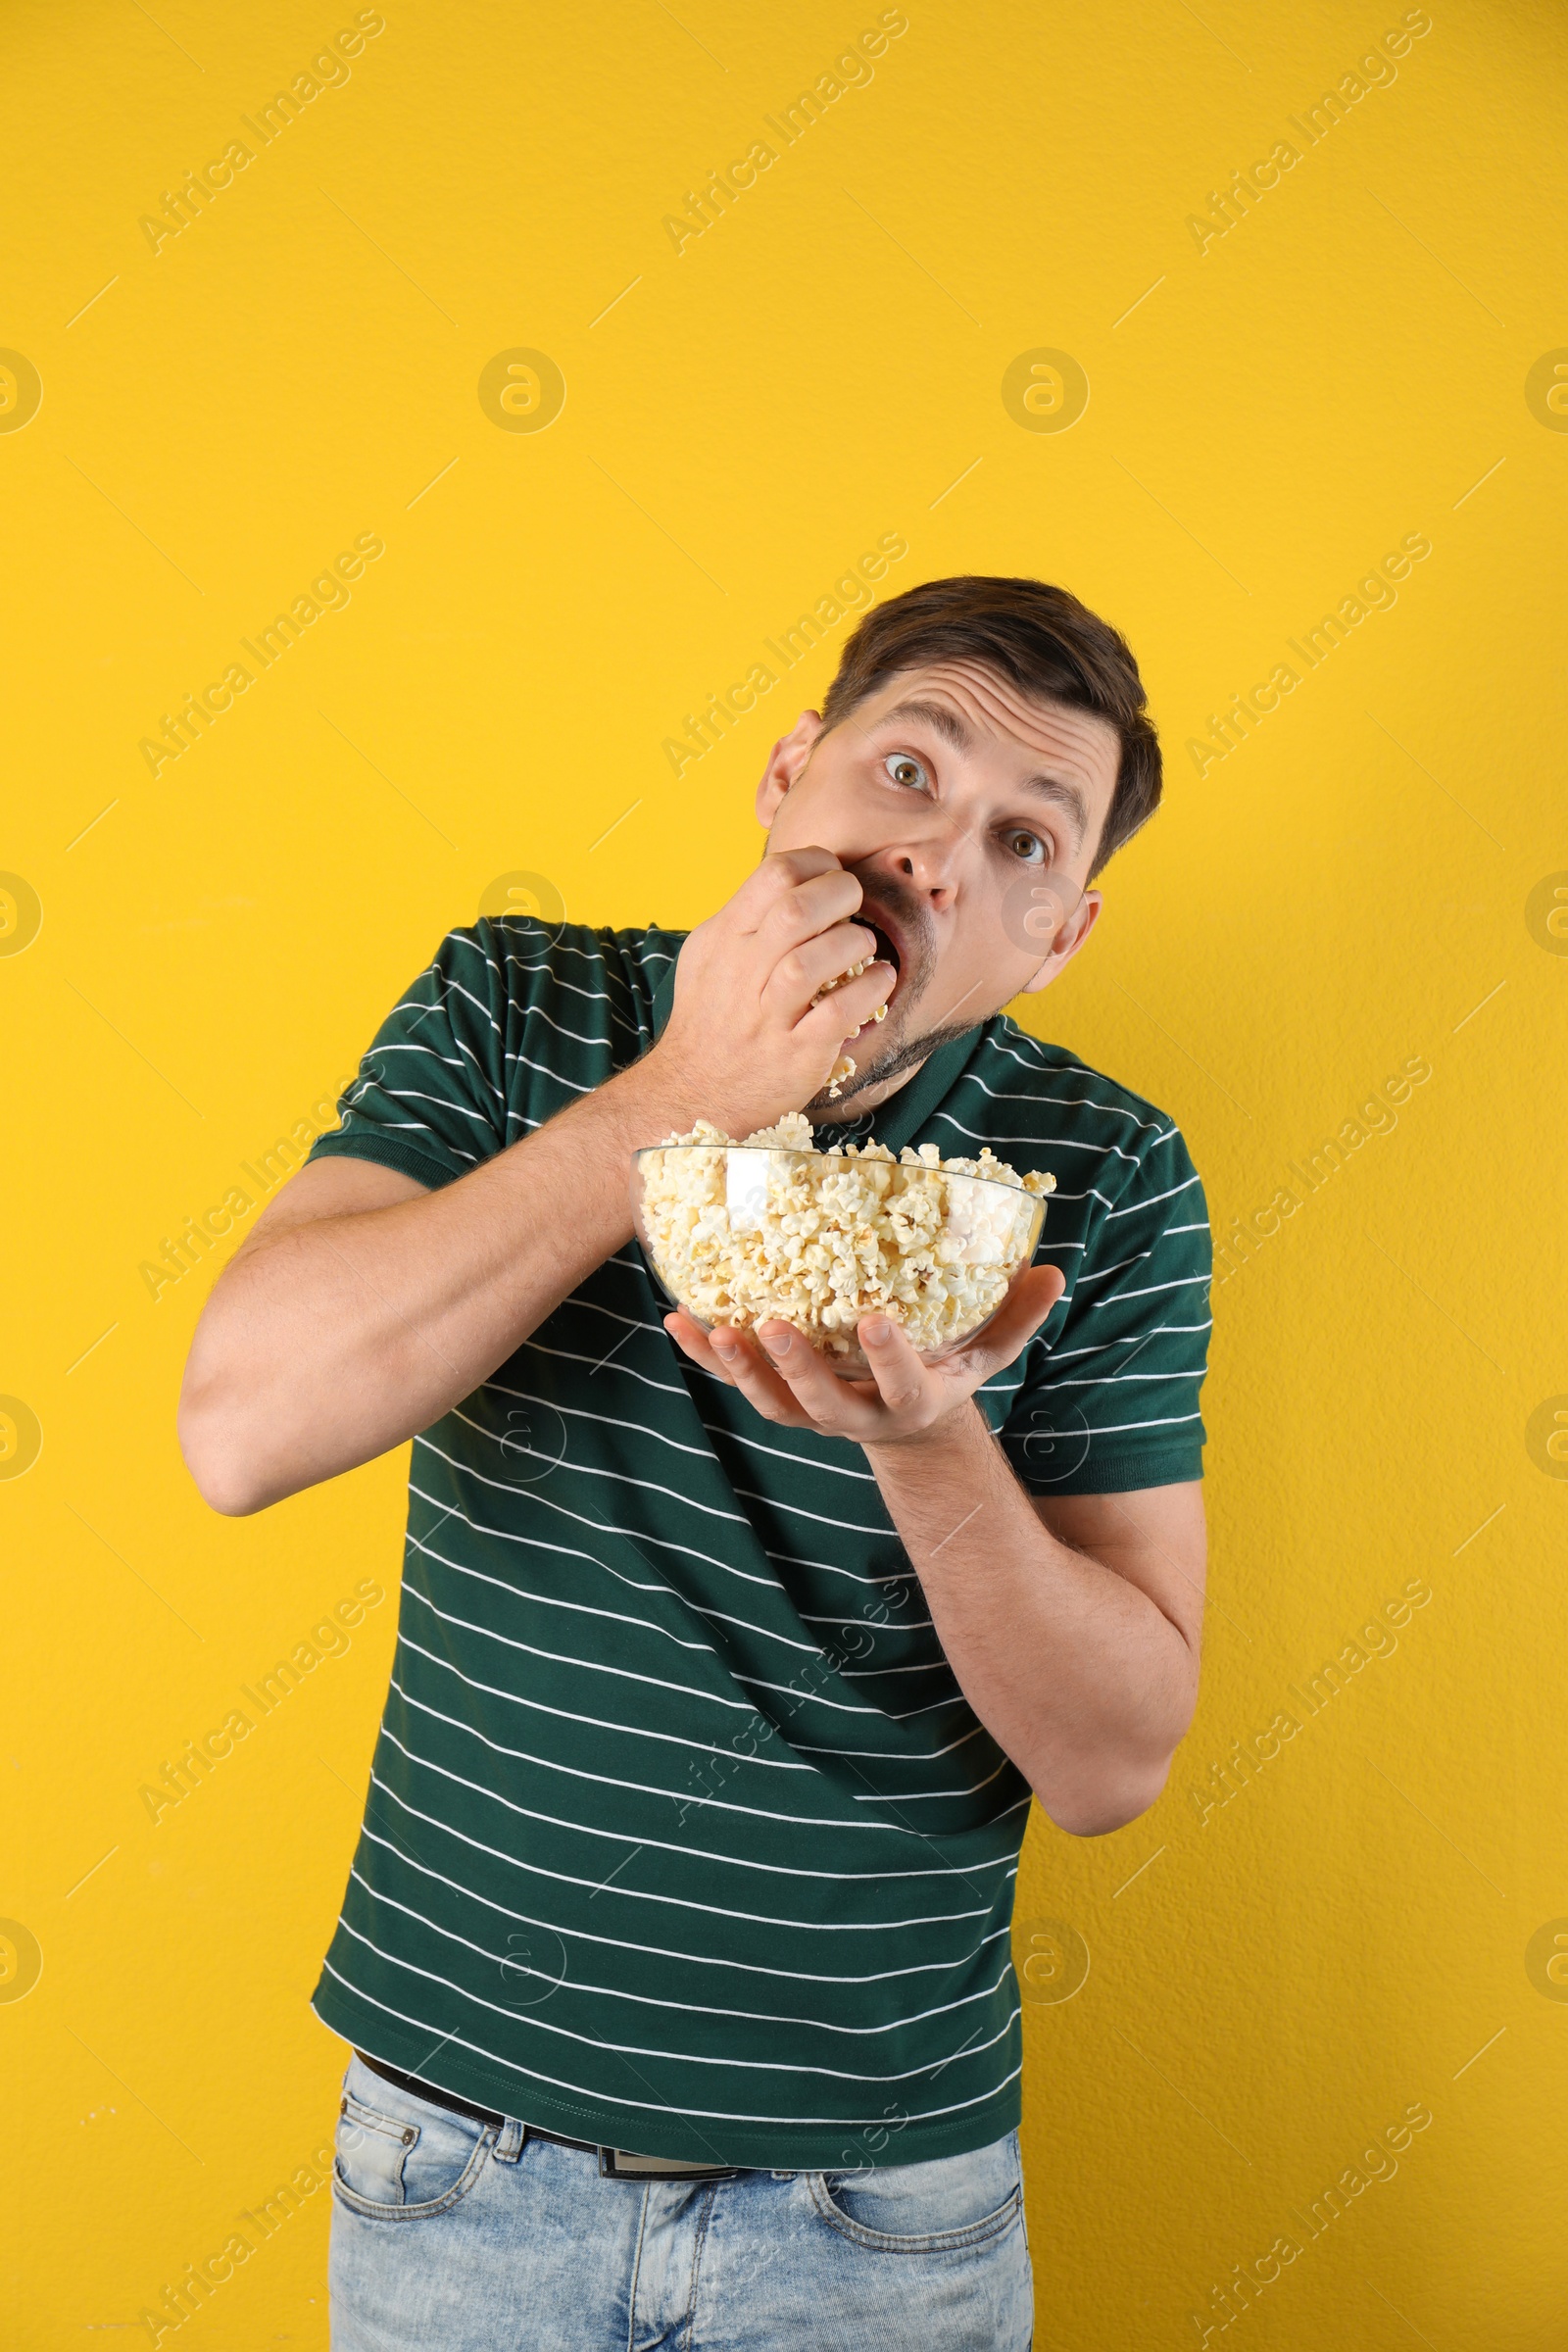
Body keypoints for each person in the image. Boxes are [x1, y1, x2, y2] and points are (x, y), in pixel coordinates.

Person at [178, 573, 1212, 2350]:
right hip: (458, 2165)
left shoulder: (1104, 1175)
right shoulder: (520, 1009)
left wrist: (925, 1434)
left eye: (1023, 840)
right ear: (789, 772)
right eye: (907, 770)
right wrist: (679, 1096)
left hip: (878, 2216)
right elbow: (240, 1426)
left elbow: (1116, 1759)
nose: (940, 857)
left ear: (1063, 933)